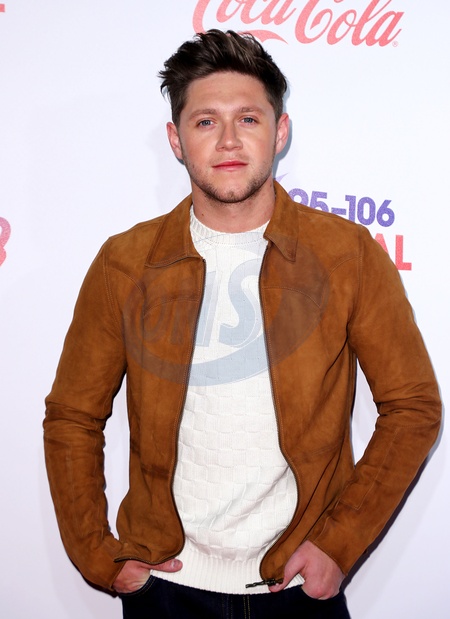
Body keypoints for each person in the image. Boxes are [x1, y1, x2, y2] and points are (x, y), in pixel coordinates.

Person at [43, 29, 441, 619]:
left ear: (280, 132)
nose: (228, 140)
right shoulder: (125, 263)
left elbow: (412, 406)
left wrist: (338, 544)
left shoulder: (346, 255)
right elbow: (73, 416)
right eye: (206, 122)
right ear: (176, 140)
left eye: (248, 119)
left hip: (297, 589)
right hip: (165, 590)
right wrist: (101, 557)